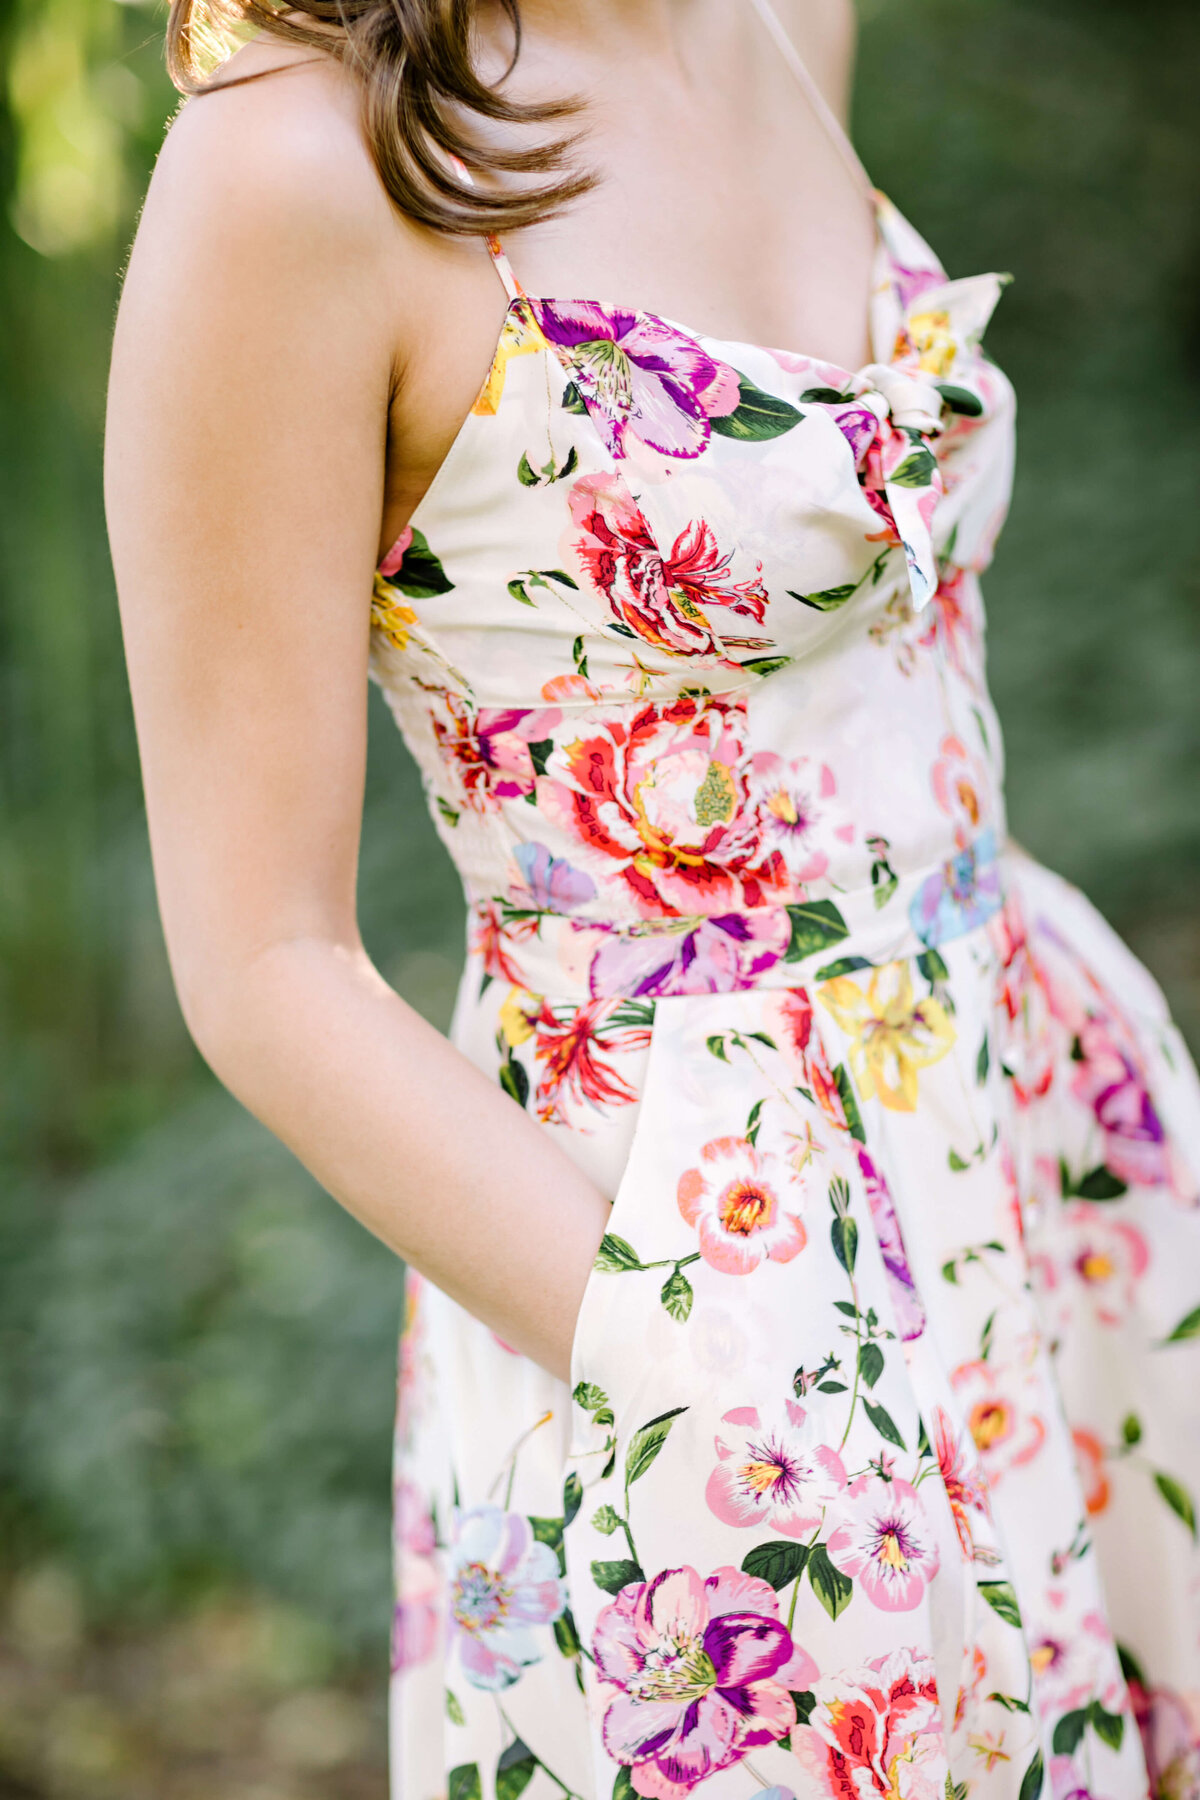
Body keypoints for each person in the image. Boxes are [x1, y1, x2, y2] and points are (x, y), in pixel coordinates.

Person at [103, 2, 1200, 1796]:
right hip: (687, 1274)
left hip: (1028, 1156)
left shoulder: (780, 16)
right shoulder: (288, 177)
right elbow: (261, 959)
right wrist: (687, 1360)